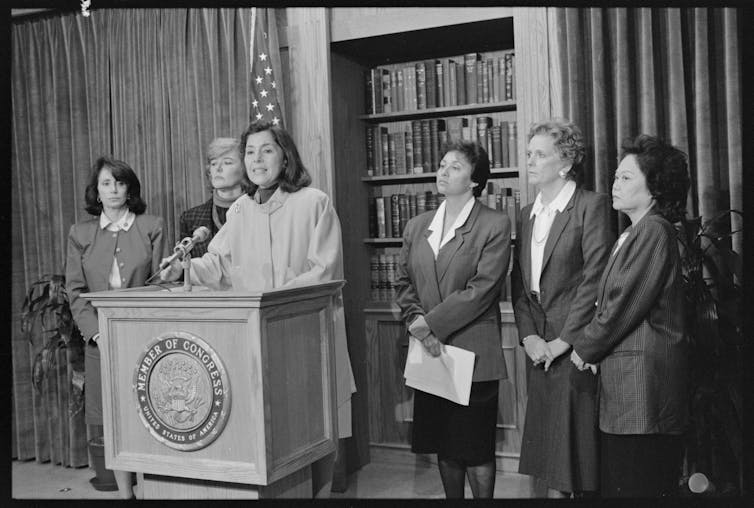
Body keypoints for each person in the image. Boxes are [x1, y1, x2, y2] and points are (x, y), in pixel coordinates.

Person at [160, 120, 356, 497]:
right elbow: (216, 264)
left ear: (285, 156)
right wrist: (184, 266)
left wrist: (272, 303)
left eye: (266, 150)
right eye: (249, 152)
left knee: (318, 423)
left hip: (305, 335)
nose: (256, 159)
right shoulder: (240, 211)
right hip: (255, 338)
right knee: (271, 428)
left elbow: (324, 271)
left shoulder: (313, 203)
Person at [570, 134, 690, 497]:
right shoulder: (634, 232)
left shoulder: (654, 230)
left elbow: (623, 303)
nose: (614, 184)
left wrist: (585, 348)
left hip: (644, 393)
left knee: (639, 484)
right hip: (627, 389)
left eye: (625, 178)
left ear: (654, 186)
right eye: (615, 176)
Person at [395, 140, 511, 499]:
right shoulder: (417, 226)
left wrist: (429, 326)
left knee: (474, 450)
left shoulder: (494, 223)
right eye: (442, 164)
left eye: (455, 166)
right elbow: (404, 284)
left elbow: (482, 289)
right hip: (430, 355)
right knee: (446, 448)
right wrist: (418, 324)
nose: (443, 171)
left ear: (475, 180)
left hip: (473, 355)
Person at [512, 119, 614, 497]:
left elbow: (595, 280)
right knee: (550, 460)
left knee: (572, 460)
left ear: (566, 162)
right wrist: (528, 337)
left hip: (574, 347)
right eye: (528, 154)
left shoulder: (591, 205)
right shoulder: (526, 213)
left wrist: (563, 341)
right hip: (539, 346)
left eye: (541, 154)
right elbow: (520, 285)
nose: (531, 162)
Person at [66, 156, 165, 499]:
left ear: (130, 188)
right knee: (114, 419)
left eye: (120, 183)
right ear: (96, 191)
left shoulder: (152, 225)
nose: (113, 190)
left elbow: (162, 284)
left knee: (153, 412)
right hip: (101, 343)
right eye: (106, 184)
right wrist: (95, 333)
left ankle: (156, 488)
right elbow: (75, 291)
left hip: (145, 337)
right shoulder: (80, 233)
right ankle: (126, 494)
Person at [179, 137, 248, 256]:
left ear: (245, 169)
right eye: (213, 163)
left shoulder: (258, 209)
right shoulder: (190, 218)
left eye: (227, 162)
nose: (218, 168)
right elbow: (186, 269)